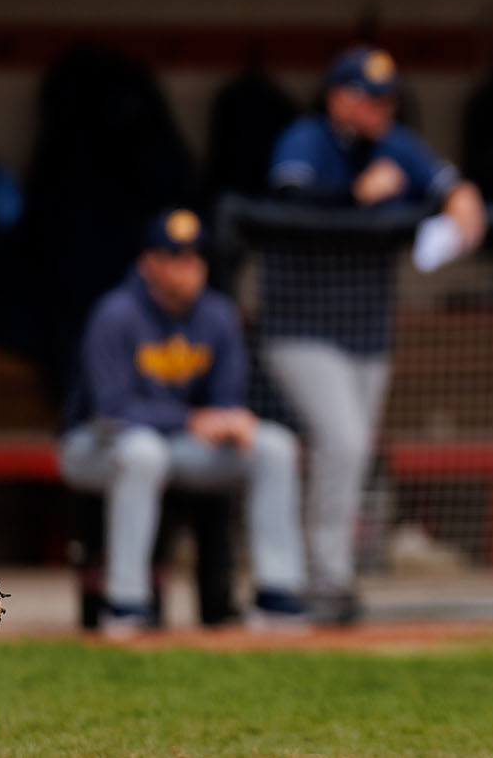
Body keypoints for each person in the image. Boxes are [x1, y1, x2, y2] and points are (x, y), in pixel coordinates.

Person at [261, 45, 486, 625]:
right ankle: (326, 578)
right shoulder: (306, 138)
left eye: (386, 97)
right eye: (368, 96)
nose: (380, 107)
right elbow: (290, 203)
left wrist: (461, 202)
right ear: (340, 97)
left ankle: (330, 574)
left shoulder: (395, 145)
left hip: (366, 330)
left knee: (353, 452)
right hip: (301, 327)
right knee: (344, 443)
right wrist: (360, 196)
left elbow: (449, 185)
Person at [58, 208, 307, 635]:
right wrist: (194, 419)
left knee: (274, 446)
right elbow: (112, 410)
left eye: (194, 256)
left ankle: (277, 593)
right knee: (143, 453)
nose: (187, 267)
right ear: (147, 263)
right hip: (93, 446)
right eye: (174, 256)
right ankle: (125, 603)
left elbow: (226, 400)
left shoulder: (217, 315)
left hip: (176, 445)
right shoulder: (115, 314)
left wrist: (231, 421)